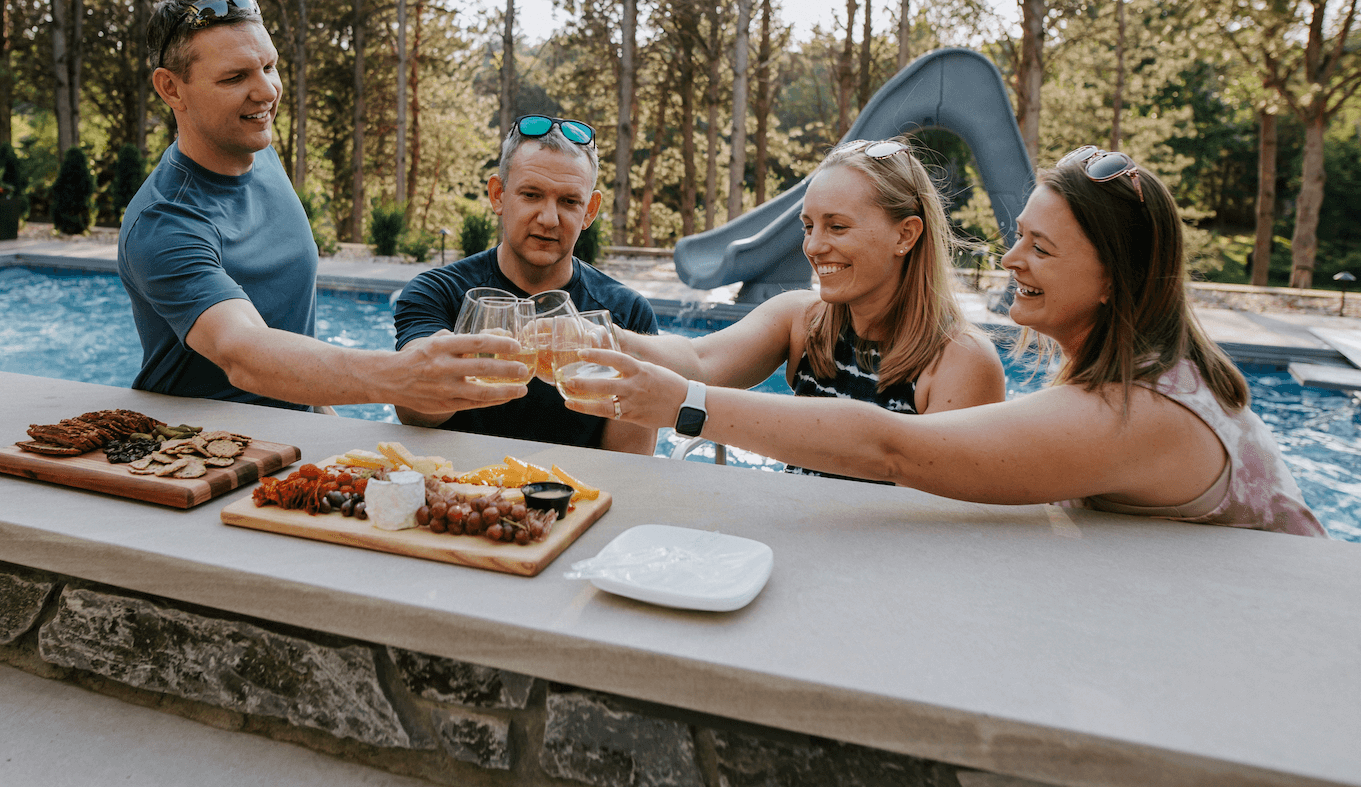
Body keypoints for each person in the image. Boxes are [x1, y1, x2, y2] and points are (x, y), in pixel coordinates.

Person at [571, 147, 1328, 537]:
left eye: (1040, 249)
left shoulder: (1138, 410)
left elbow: (893, 450)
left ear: (1112, 279)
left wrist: (690, 406)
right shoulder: (1140, 377)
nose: (1009, 261)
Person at [118, 0, 528, 420]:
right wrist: (396, 374)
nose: (266, 91)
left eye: (269, 66)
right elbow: (242, 353)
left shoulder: (259, 153)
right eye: (234, 78)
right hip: (201, 456)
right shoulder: (164, 220)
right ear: (171, 88)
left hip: (292, 434)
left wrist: (327, 420)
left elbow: (287, 336)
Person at [612, 138, 1004, 479]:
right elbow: (700, 359)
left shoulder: (962, 361)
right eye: (808, 226)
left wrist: (689, 404)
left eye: (836, 227)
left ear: (905, 234)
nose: (813, 247)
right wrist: (602, 337)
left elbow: (924, 486)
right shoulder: (802, 320)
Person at [392, 115, 660, 451]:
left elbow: (630, 460)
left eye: (569, 201)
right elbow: (413, 413)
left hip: (576, 498)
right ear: (498, 195)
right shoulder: (437, 292)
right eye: (531, 195)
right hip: (461, 494)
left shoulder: (626, 313)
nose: (549, 219)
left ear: (589, 211)